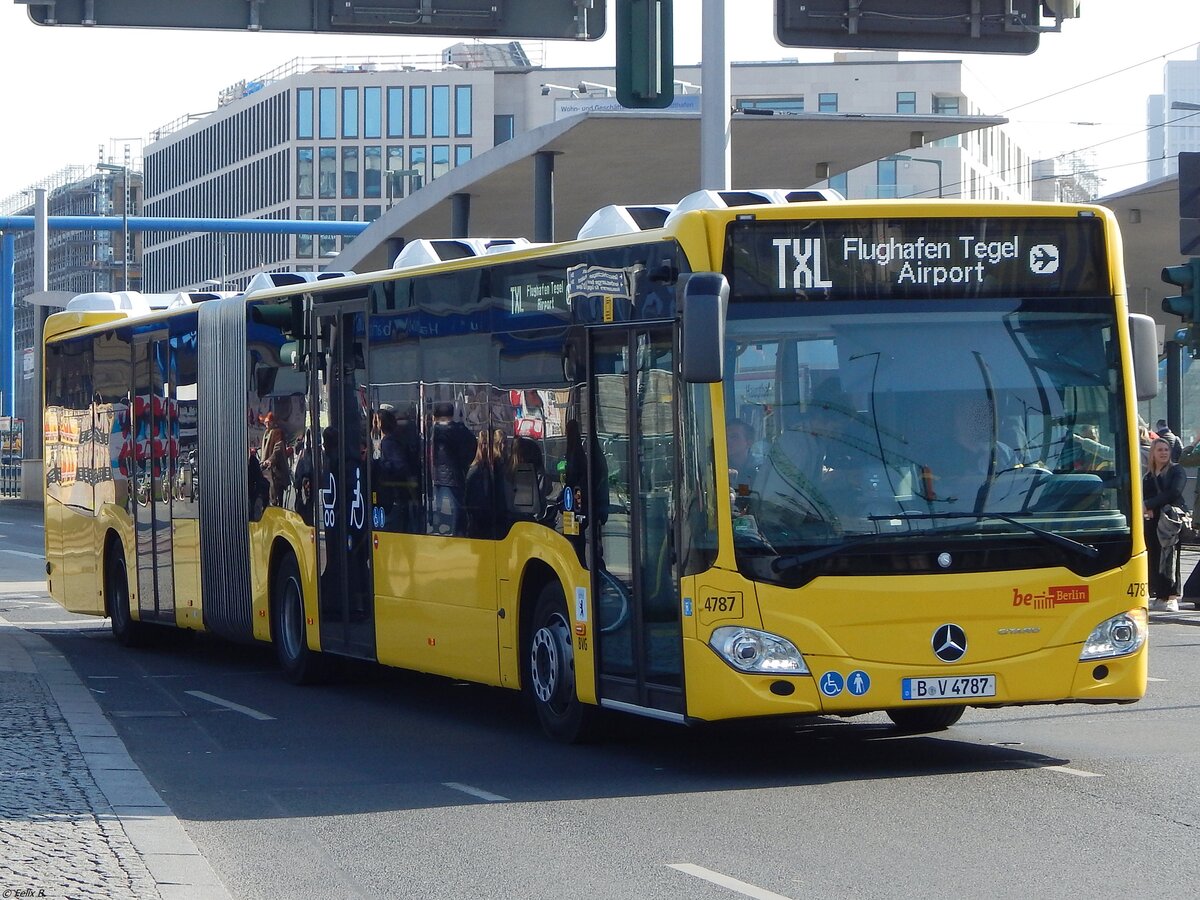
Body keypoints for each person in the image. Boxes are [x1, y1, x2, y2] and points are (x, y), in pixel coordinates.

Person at [1143, 437, 1187, 612]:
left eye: (1166, 450)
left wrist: (1150, 504)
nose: (1163, 453)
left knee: (1170, 555)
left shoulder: (1176, 470)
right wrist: (1148, 505)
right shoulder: (1149, 475)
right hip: (1153, 521)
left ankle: (1171, 596)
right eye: (1159, 450)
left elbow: (1174, 491)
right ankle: (1159, 594)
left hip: (1169, 520)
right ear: (1153, 452)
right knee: (1154, 556)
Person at [430, 401, 474, 535]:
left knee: (439, 507)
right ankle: (457, 532)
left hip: (437, 476)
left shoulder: (433, 431)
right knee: (457, 507)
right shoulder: (460, 430)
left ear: (436, 416)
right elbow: (471, 447)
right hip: (456, 476)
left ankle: (439, 529)